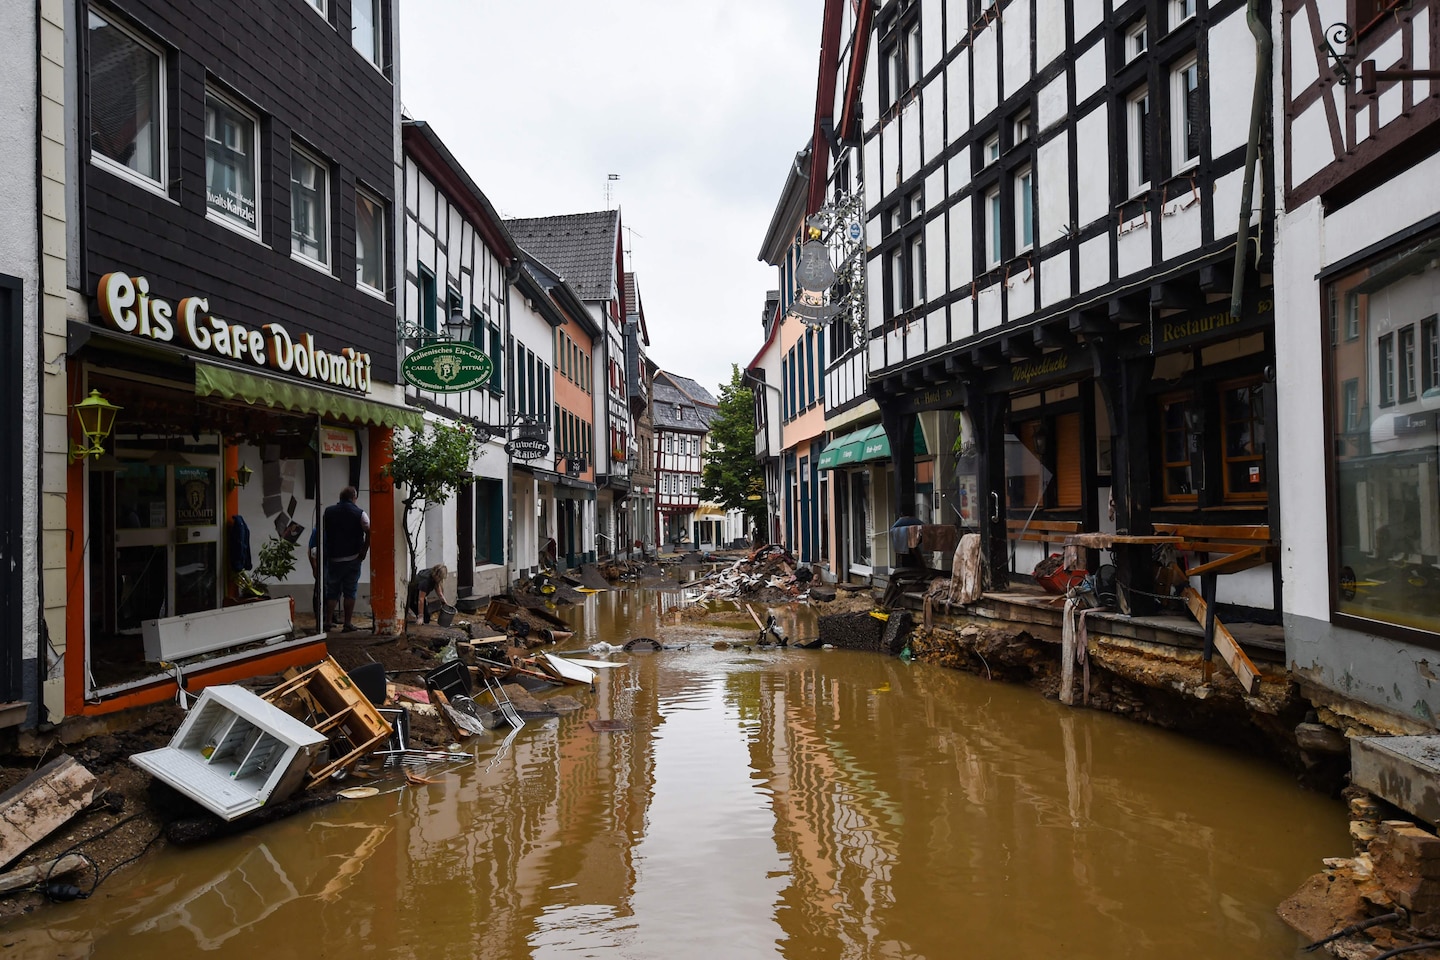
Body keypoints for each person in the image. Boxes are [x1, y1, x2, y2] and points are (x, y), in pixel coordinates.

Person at [314, 486, 370, 633]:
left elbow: (323, 531)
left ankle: (328, 621)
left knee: (332, 591)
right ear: (354, 497)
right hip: (352, 558)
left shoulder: (328, 512)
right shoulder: (360, 513)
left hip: (334, 558)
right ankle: (347, 623)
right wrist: (364, 550)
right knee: (350, 591)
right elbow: (370, 530)